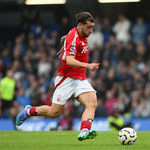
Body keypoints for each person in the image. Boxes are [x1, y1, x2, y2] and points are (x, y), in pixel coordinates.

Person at [16, 11, 100, 141]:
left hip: (80, 79)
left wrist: (64, 41)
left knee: (92, 103)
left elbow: (68, 38)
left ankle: (84, 131)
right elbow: (69, 61)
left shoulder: (77, 34)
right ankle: (29, 111)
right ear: (80, 25)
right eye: (88, 27)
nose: (90, 31)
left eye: (92, 28)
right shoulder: (75, 37)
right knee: (54, 112)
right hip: (66, 78)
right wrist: (88, 65)